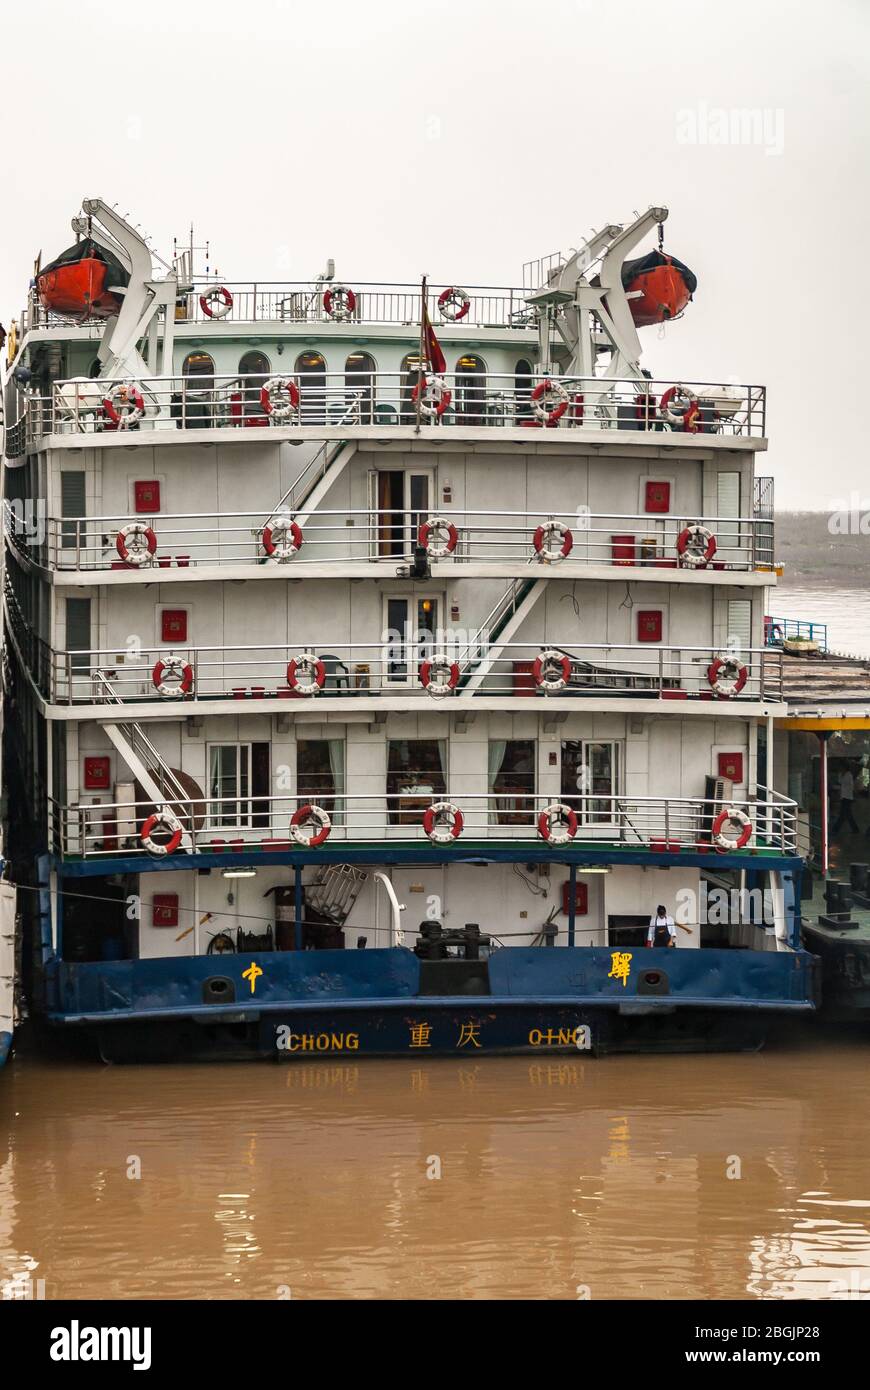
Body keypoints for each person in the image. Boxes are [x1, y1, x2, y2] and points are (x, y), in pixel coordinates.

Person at [833, 764, 859, 835]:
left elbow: (849, 786)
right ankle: (855, 829)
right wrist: (840, 775)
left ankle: (835, 830)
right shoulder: (843, 774)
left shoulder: (849, 775)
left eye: (841, 768)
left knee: (843, 815)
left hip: (847, 797)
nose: (840, 769)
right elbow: (840, 782)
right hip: (844, 797)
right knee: (848, 815)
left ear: (845, 768)